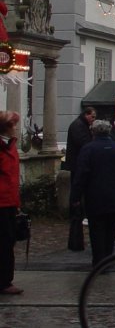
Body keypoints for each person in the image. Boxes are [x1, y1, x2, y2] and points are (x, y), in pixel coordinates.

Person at [70, 120, 115, 266]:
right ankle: (108, 257)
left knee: (96, 229)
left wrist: (75, 196)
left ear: (93, 132)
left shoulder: (88, 149)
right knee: (111, 228)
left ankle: (99, 260)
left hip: (94, 196)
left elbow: (81, 174)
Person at [65, 105, 96, 251]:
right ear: (86, 115)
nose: (93, 120)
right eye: (92, 117)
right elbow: (85, 144)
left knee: (79, 202)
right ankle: (76, 239)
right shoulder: (78, 126)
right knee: (77, 202)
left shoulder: (80, 125)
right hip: (78, 167)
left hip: (78, 166)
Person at [0, 110, 23, 295]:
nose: (16, 127)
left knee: (8, 241)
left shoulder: (10, 145)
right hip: (1, 201)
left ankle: (6, 279)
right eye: (13, 124)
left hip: (9, 201)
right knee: (5, 242)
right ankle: (4, 282)